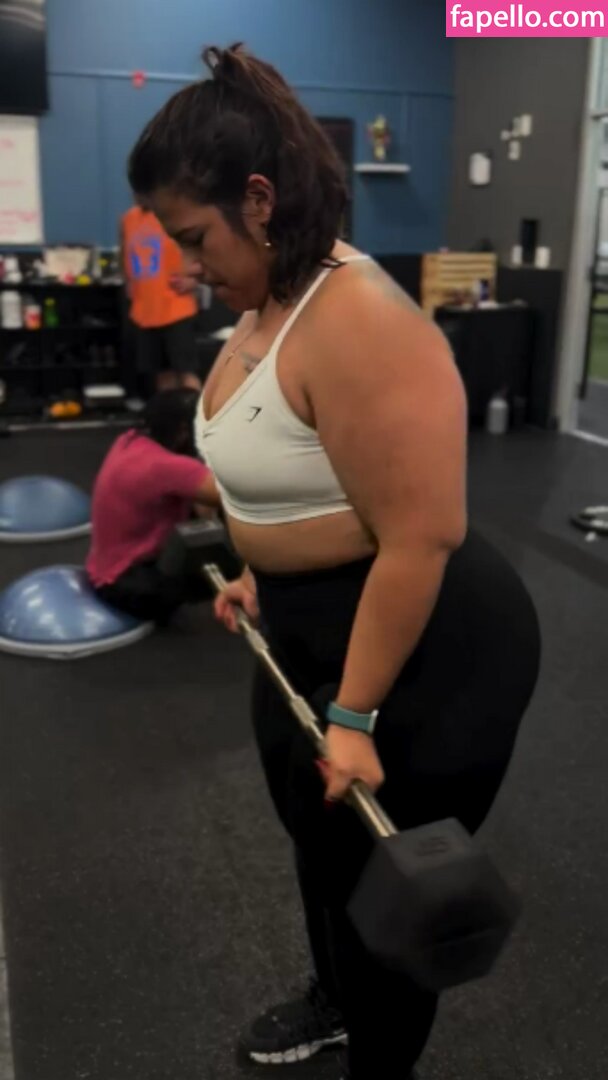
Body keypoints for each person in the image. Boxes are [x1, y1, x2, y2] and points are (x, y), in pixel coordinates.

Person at [128, 45, 541, 1080]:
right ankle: (333, 1002)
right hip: (304, 625)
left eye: (193, 238)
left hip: (425, 647)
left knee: (388, 902)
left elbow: (419, 537)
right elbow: (288, 474)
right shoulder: (263, 302)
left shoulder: (358, 319)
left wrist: (354, 716)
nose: (186, 266)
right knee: (318, 853)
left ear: (258, 201)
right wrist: (257, 571)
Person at [86, 389, 219, 625]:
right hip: (132, 588)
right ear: (183, 431)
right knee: (248, 530)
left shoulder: (128, 440)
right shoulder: (168, 467)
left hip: (104, 573)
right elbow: (237, 497)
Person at [121, 197, 202, 397]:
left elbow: (201, 248)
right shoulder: (129, 219)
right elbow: (125, 254)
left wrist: (195, 279)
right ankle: (169, 416)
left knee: (186, 373)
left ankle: (195, 415)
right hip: (145, 312)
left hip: (177, 309)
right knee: (162, 376)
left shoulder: (175, 212)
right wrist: (129, 282)